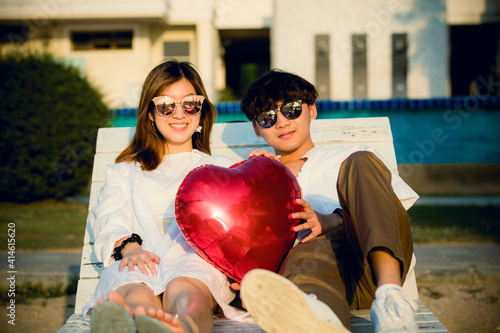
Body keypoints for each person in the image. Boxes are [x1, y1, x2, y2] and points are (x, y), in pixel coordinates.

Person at [237, 69, 420, 333]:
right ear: (257, 128)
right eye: (268, 117)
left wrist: (332, 220)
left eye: (291, 110)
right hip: (310, 276)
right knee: (311, 246)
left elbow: (388, 214)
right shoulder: (258, 174)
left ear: (312, 109)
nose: (281, 122)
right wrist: (255, 179)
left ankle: (391, 301)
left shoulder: (352, 157)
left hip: (367, 269)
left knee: (360, 163)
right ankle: (318, 322)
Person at [80, 60, 246, 333]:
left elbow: (244, 218)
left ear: (201, 111)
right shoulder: (123, 173)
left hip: (195, 258)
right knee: (135, 291)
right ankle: (139, 322)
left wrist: (260, 170)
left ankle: (183, 327)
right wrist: (130, 246)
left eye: (190, 103)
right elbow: (109, 216)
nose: (179, 114)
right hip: (138, 257)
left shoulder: (221, 168)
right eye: (166, 105)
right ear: (150, 114)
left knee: (186, 291)